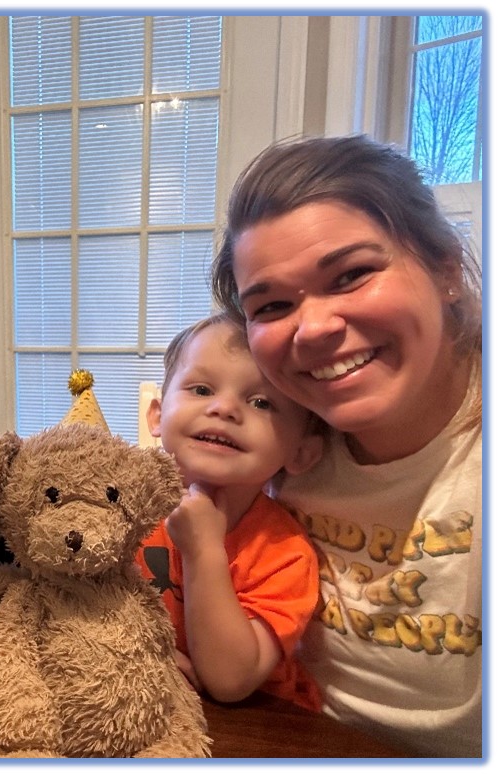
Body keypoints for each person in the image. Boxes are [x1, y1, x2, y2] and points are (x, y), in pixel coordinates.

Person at [209, 133, 482, 758]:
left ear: (445, 268)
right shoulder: (276, 443)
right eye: (273, 304)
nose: (315, 328)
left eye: (352, 275)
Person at [136, 313, 325, 711]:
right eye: (201, 389)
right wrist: (143, 656)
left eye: (261, 402)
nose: (223, 408)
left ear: (301, 452)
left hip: (256, 728)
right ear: (157, 416)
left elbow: (230, 680)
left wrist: (203, 551)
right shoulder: (124, 509)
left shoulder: (284, 552)